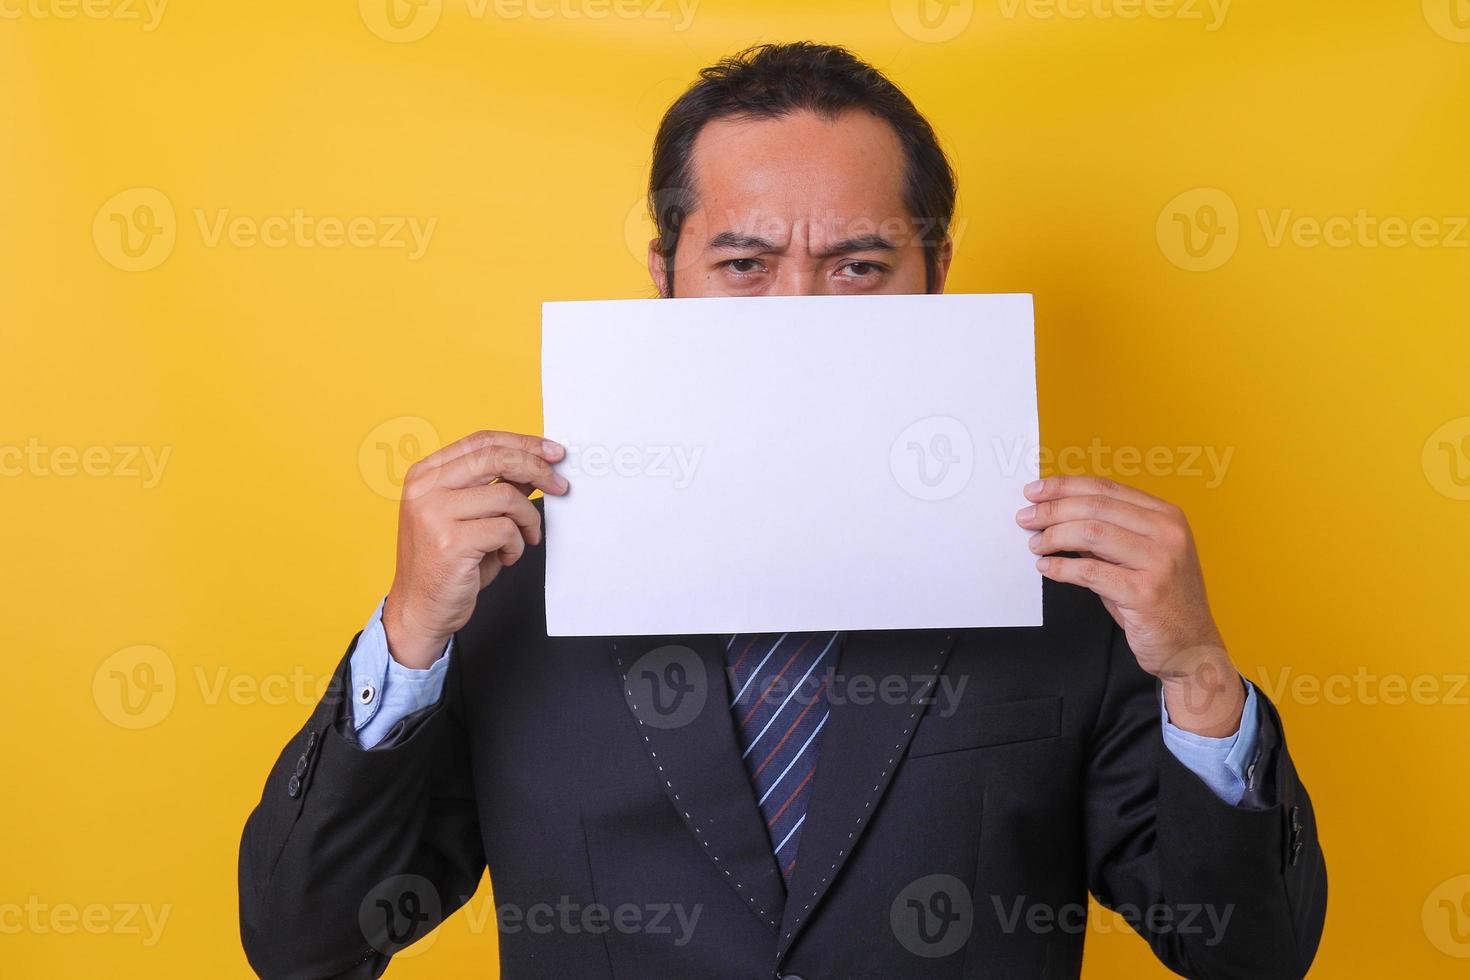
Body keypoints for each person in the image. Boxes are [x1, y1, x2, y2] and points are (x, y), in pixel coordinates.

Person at [239, 41, 1325, 979]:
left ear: (937, 270)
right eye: (745, 264)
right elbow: (306, 940)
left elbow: (1247, 952)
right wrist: (410, 635)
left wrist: (1197, 675)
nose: (800, 313)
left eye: (858, 264)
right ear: (667, 274)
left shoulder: (1074, 591)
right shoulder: (499, 594)